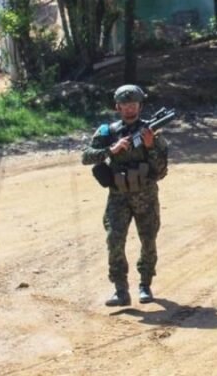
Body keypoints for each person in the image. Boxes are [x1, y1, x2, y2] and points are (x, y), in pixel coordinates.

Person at [82, 85, 169, 307]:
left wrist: (150, 147)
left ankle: (145, 285)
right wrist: (112, 150)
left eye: (134, 105)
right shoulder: (107, 132)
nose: (130, 109)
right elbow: (86, 157)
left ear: (140, 106)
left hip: (145, 196)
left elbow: (160, 170)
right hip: (118, 197)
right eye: (125, 105)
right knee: (114, 241)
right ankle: (121, 290)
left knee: (148, 240)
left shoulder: (152, 133)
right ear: (117, 107)